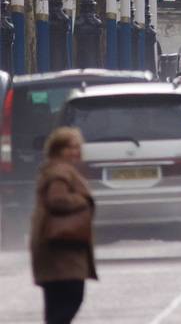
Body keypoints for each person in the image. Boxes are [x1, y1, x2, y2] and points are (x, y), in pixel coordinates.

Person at [30, 126, 97, 324]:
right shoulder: (61, 172)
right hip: (62, 250)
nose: (75, 152)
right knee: (70, 299)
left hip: (57, 250)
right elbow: (56, 199)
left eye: (77, 147)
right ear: (57, 149)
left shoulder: (55, 169)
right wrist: (83, 200)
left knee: (56, 307)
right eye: (69, 147)